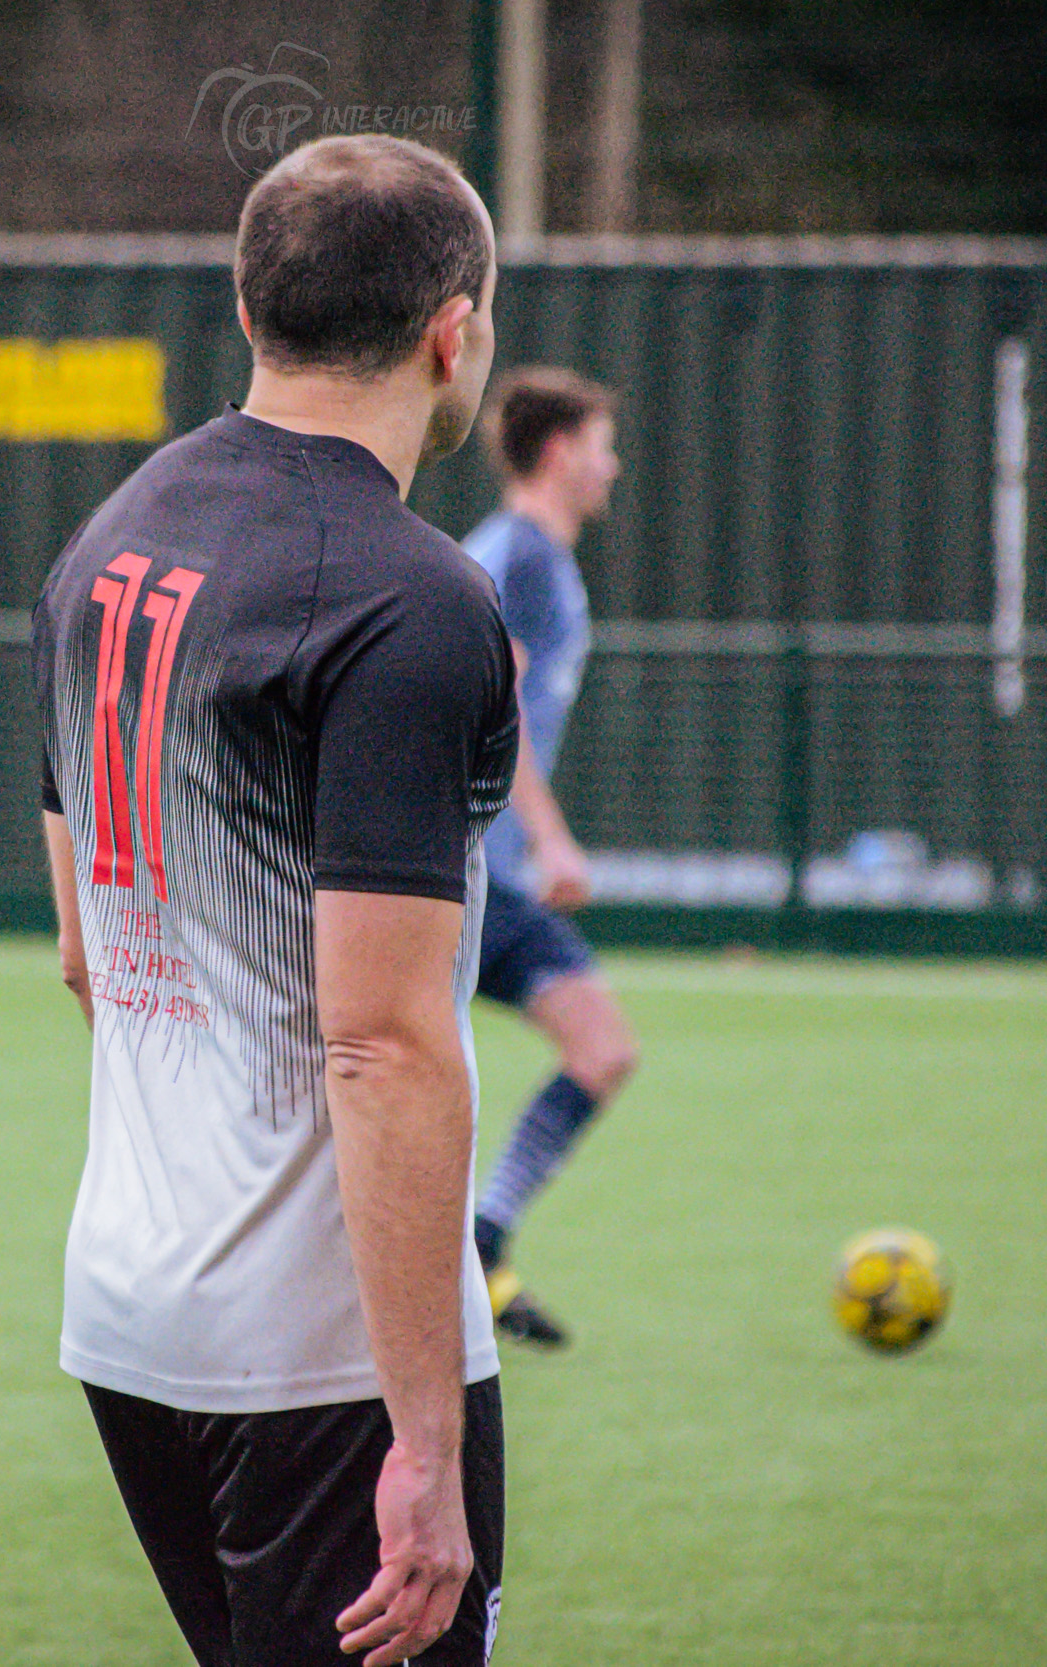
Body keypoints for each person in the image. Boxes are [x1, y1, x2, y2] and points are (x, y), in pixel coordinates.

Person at [31, 134, 517, 1667]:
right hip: (321, 1361)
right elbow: (381, 1043)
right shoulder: (410, 597)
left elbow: (85, 954)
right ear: (454, 330)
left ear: (250, 311)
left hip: (132, 1314)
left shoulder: (107, 542)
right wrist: (427, 1446)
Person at [460, 368, 642, 1352]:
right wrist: (549, 833)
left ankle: (479, 1244)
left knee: (601, 1047)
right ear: (562, 451)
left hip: (477, 870)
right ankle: (448, 1262)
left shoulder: (522, 552)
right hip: (465, 869)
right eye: (603, 446)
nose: (612, 466)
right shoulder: (523, 558)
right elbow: (496, 709)